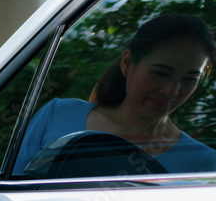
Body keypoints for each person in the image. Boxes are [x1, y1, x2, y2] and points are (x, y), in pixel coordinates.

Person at [16, 13, 216, 174]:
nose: (172, 90)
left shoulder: (203, 163)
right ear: (127, 63)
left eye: (190, 79)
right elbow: (12, 196)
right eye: (160, 73)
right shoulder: (56, 115)